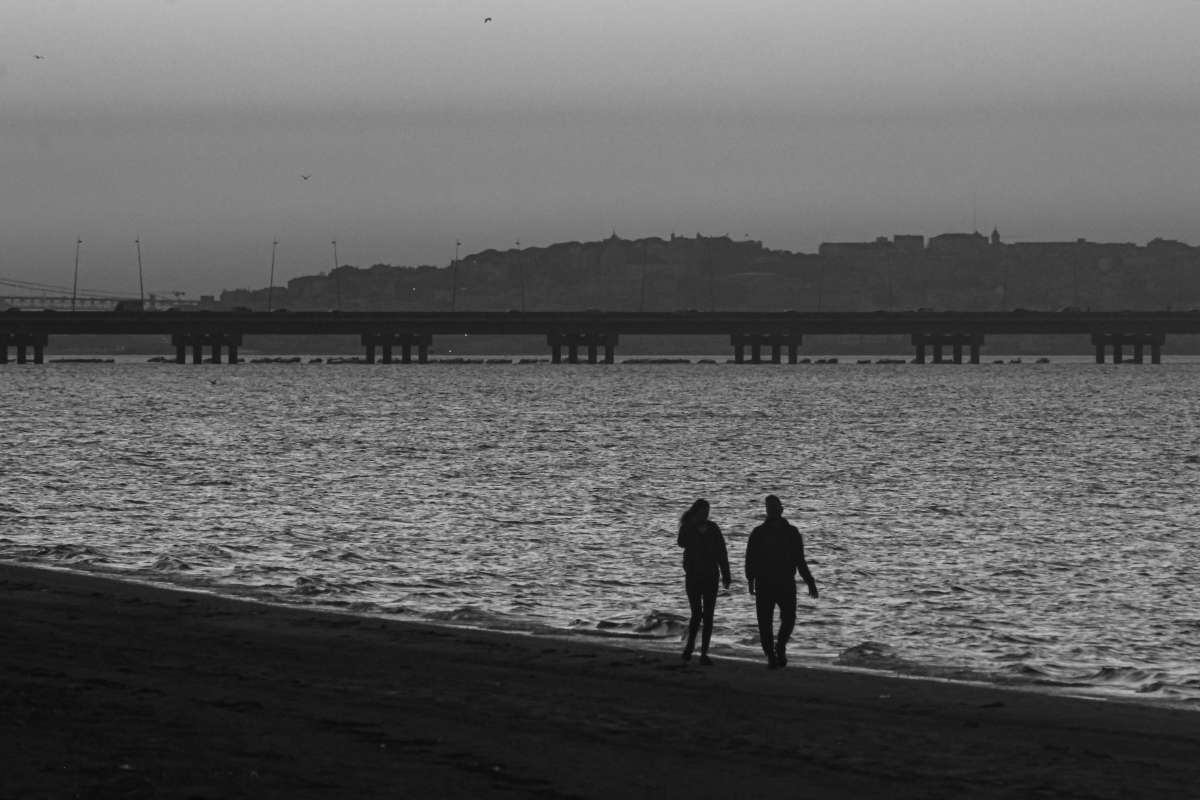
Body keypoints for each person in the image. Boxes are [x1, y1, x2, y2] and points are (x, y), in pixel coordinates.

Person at [744, 495, 818, 669]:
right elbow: (751, 558)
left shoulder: (792, 532)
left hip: (785, 581)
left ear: (781, 509)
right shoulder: (758, 532)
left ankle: (780, 646)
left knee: (789, 618)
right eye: (769, 508)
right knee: (764, 622)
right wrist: (750, 579)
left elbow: (800, 559)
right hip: (764, 582)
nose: (772, 510)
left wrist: (810, 581)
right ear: (767, 511)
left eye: (775, 507)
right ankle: (771, 655)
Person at [677, 498, 731, 665]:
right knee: (696, 614)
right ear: (696, 512)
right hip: (693, 575)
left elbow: (722, 551)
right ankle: (689, 647)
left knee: (708, 615)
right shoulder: (688, 527)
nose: (705, 514)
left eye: (707, 512)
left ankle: (704, 653)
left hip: (711, 576)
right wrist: (691, 526)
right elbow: (681, 542)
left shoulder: (713, 528)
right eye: (702, 511)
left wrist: (726, 574)